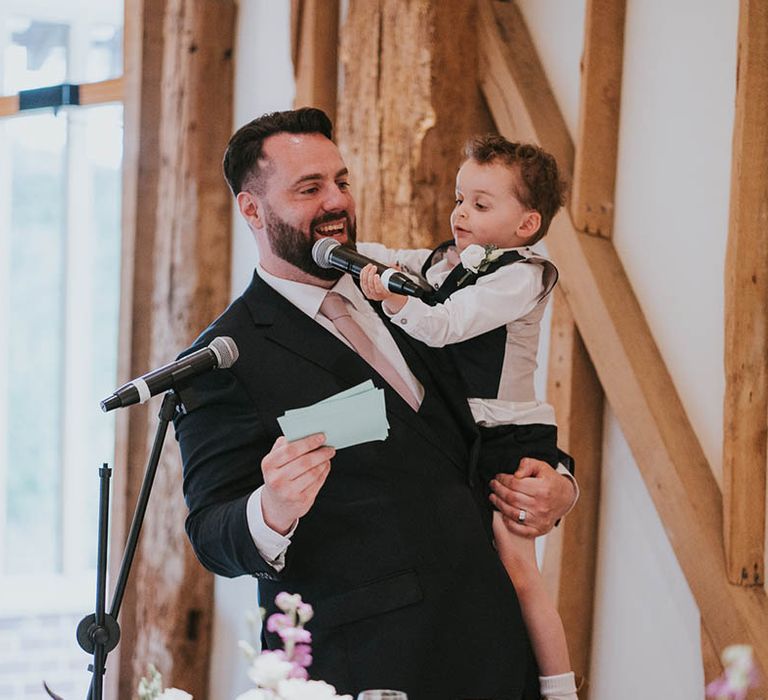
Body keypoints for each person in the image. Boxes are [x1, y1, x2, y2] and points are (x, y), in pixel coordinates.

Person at [173, 108, 577, 700]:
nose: (336, 201)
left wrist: (557, 486)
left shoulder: (409, 297)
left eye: (341, 181)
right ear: (252, 209)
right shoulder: (228, 356)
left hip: (492, 643)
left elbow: (481, 421)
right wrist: (272, 508)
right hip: (371, 665)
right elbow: (213, 533)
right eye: (310, 189)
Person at [358, 135, 578, 700]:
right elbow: (394, 257)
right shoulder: (449, 259)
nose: (460, 213)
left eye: (481, 205)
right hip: (462, 429)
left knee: (517, 566)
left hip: (507, 432)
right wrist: (350, 255)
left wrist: (393, 299)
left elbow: (446, 323)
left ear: (527, 224)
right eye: (460, 199)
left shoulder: (523, 276)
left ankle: (559, 690)